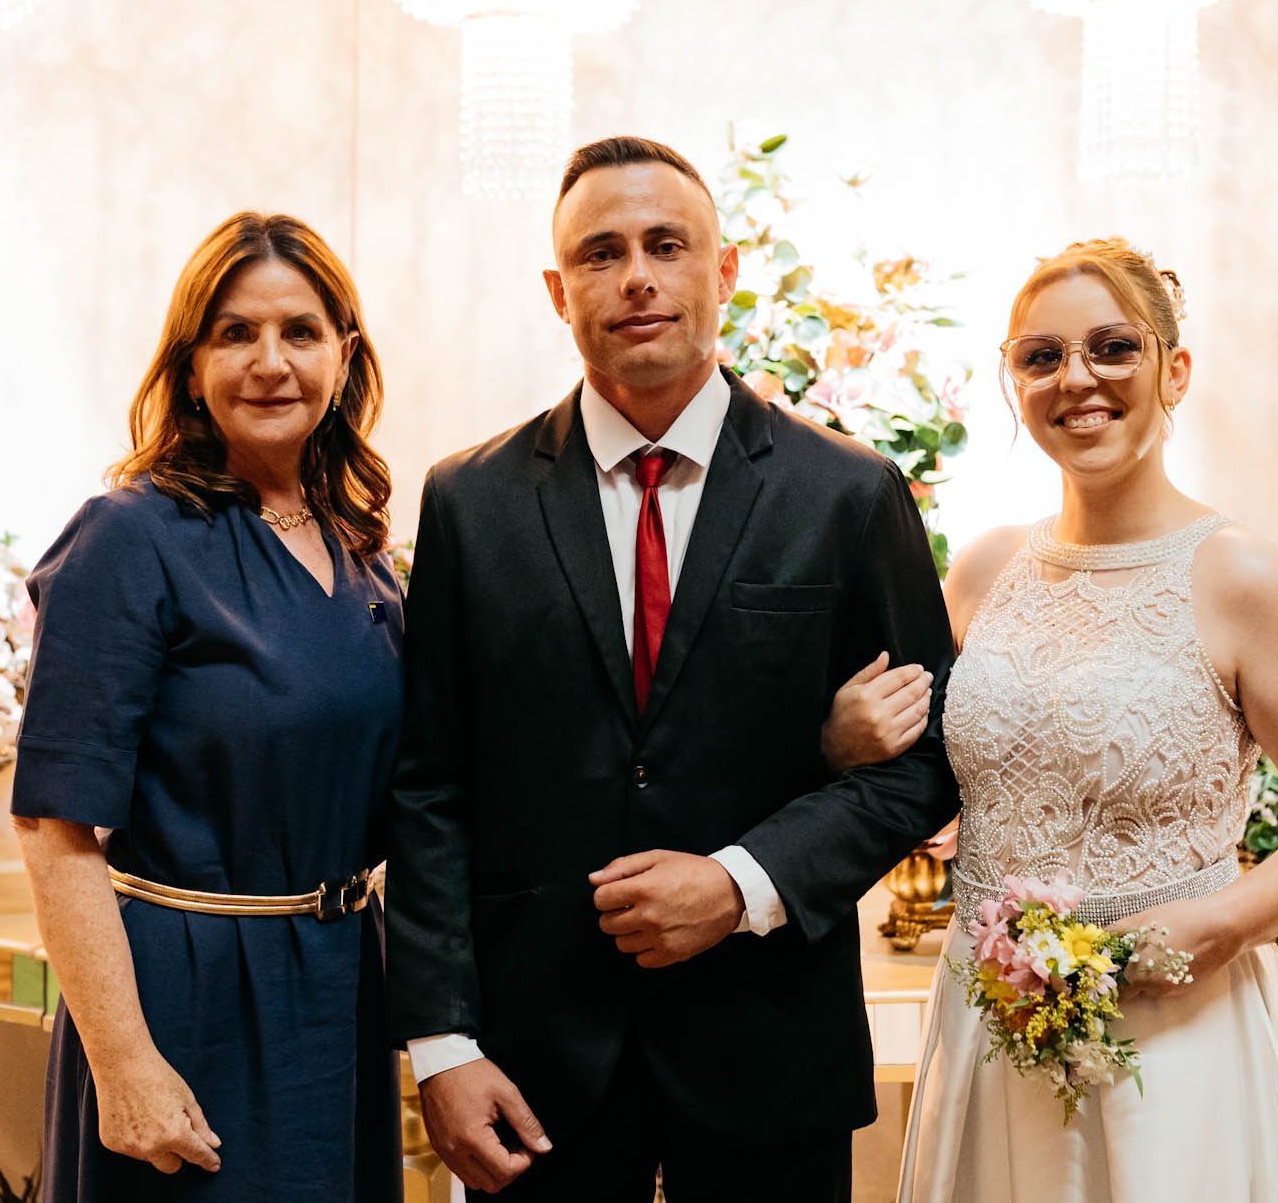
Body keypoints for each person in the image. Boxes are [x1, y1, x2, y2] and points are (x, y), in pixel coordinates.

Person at [385, 136, 963, 1202]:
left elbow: (929, 760)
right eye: (601, 253)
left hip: (769, 1047)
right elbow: (429, 782)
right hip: (534, 1063)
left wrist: (742, 882)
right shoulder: (470, 501)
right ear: (558, 291)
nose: (637, 276)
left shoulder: (846, 492)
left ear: (724, 269)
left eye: (666, 244)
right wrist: (441, 1043)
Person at [892, 238, 1278, 1202]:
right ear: (1015, 382)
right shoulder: (982, 570)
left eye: (1113, 347)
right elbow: (921, 773)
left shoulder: (1241, 576)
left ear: (1174, 369)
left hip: (1175, 1031)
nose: (1075, 378)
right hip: (990, 1023)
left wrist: (1224, 921)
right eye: (1041, 356)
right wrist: (851, 737)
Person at [10, 213, 404, 1201]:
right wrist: (124, 1065)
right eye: (234, 334)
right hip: (186, 1001)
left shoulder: (360, 551)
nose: (270, 362)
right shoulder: (126, 538)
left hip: (339, 985)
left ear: (344, 356)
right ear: (190, 366)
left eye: (300, 331)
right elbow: (53, 827)